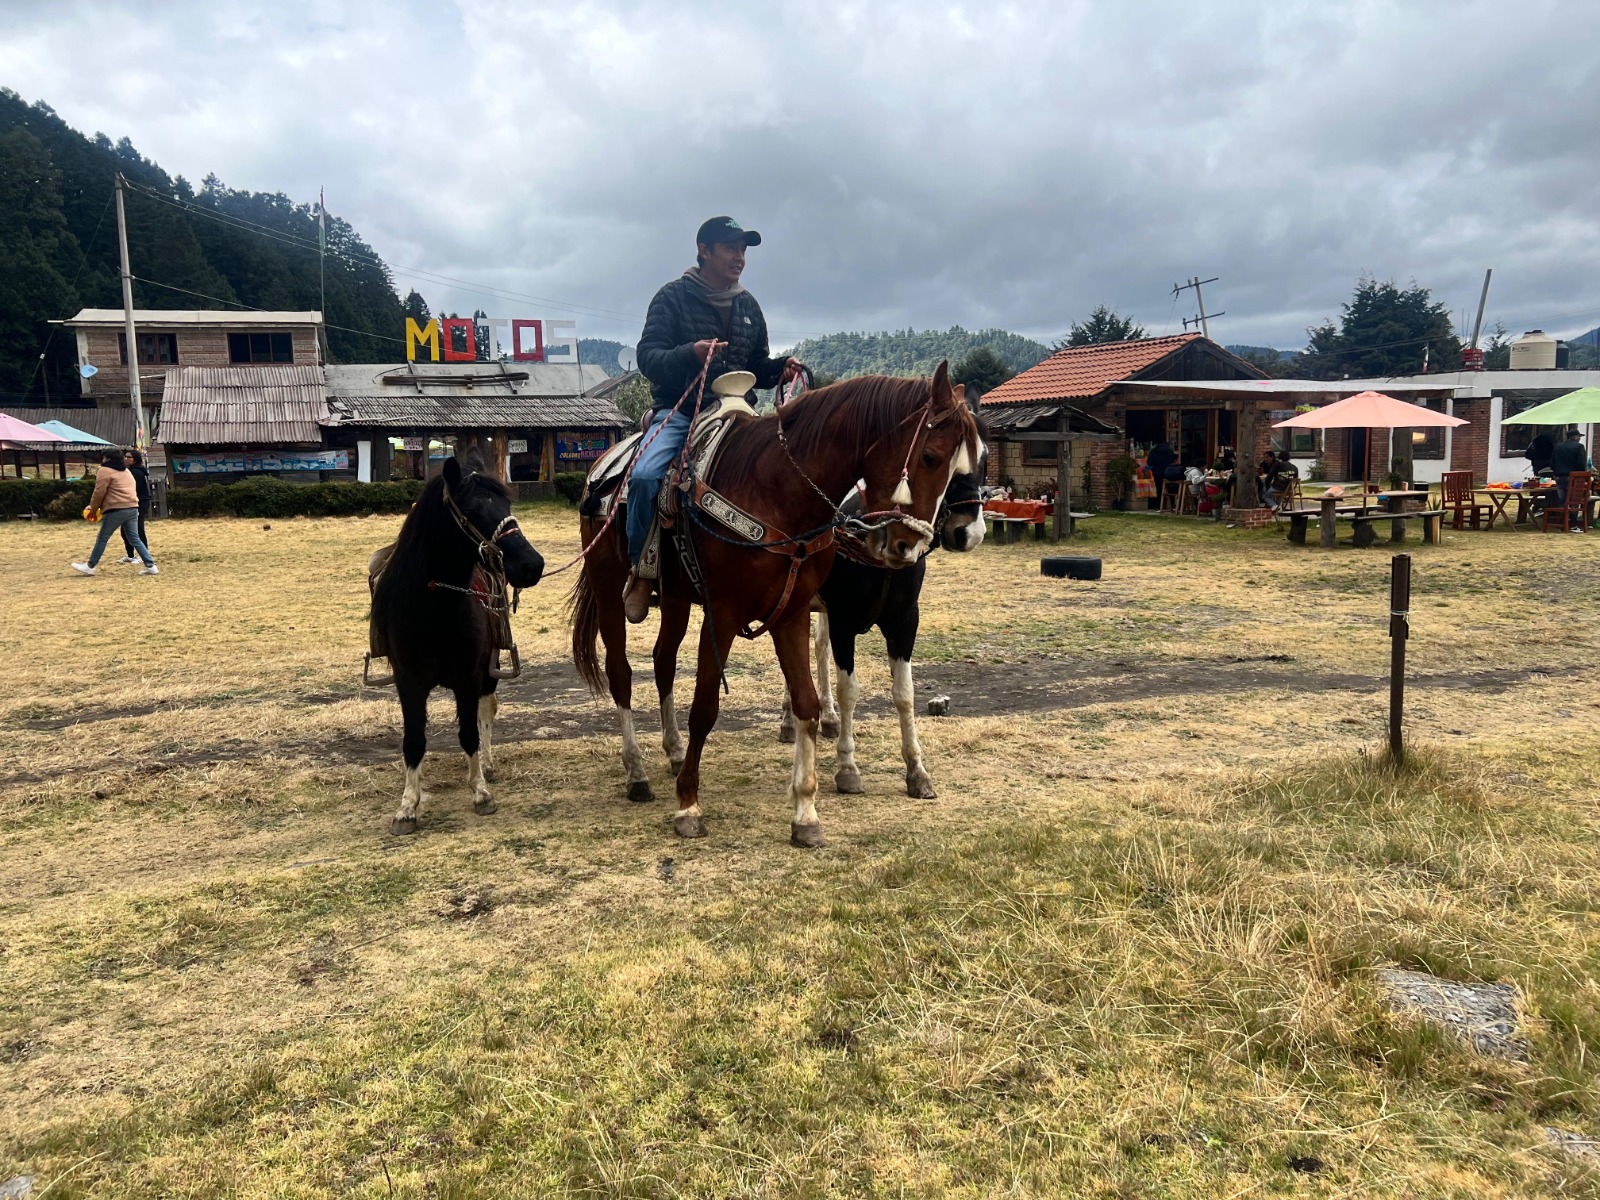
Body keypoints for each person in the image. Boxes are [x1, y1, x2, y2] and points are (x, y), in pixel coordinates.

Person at [624, 216, 805, 622]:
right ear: (704, 250)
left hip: (739, 413)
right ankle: (641, 569)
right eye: (730, 247)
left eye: (743, 249)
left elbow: (755, 362)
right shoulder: (671, 297)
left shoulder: (748, 306)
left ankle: (783, 564)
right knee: (645, 477)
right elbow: (647, 357)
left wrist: (780, 369)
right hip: (681, 411)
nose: (739, 257)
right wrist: (691, 352)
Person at [72, 448, 156, 576]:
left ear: (107, 458)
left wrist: (93, 510)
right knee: (135, 538)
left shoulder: (104, 470)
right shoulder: (126, 471)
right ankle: (151, 566)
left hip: (116, 509)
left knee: (102, 538)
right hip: (133, 507)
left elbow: (99, 492)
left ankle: (90, 566)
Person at [117, 448, 152, 563]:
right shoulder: (129, 471)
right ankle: (130, 555)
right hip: (129, 504)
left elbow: (134, 489)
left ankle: (144, 555)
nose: (126, 459)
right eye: (125, 457)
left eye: (129, 457)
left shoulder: (136, 472)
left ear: (135, 459)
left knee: (138, 530)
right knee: (125, 530)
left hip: (139, 503)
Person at [1550, 428, 1591, 514]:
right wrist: (1583, 475)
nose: (1579, 438)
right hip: (1574, 477)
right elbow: (1581, 463)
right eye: (1579, 436)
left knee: (1562, 499)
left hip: (1559, 477)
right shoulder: (1579, 447)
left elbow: (1552, 463)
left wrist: (1555, 473)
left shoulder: (1558, 446)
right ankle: (1573, 522)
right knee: (1574, 500)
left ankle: (1563, 519)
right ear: (1575, 437)